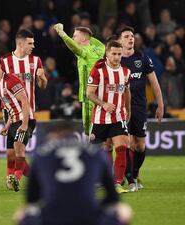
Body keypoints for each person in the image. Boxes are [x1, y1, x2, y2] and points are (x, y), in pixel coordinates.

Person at [15, 121, 132, 225]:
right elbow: (112, 196)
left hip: (52, 217)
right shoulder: (95, 152)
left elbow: (31, 198)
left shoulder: (41, 153)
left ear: (53, 136)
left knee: (21, 213)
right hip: (89, 216)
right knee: (124, 210)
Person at [0, 29, 47, 189]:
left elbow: (42, 86)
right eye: (30, 43)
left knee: (18, 149)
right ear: (20, 43)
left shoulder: (36, 61)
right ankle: (19, 178)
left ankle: (17, 178)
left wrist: (42, 78)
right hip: (9, 111)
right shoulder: (5, 61)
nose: (33, 46)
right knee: (12, 153)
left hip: (28, 111)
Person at [117, 26, 164, 190]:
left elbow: (154, 83)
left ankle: (135, 173)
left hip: (139, 106)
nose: (131, 39)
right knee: (126, 141)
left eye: (132, 36)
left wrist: (160, 104)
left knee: (140, 145)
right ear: (120, 40)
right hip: (121, 107)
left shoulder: (142, 58)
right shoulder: (115, 59)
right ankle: (129, 179)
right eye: (127, 36)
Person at [86, 40, 131, 194]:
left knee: (121, 148)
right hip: (100, 118)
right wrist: (103, 104)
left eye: (119, 54)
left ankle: (117, 183)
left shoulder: (126, 72)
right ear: (107, 53)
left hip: (119, 116)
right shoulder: (98, 70)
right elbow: (89, 93)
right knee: (99, 151)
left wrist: (128, 111)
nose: (117, 57)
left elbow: (126, 92)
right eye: (114, 54)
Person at [0, 55, 34, 192]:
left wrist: (24, 124)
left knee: (19, 148)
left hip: (25, 120)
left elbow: (24, 101)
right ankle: (37, 178)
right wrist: (7, 125)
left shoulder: (11, 81)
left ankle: (15, 180)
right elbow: (10, 106)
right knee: (11, 155)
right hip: (13, 122)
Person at [53, 23, 105, 136]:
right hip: (103, 93)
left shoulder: (84, 52)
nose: (72, 38)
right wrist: (86, 33)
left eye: (75, 36)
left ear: (82, 38)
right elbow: (92, 39)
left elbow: (74, 47)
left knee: (89, 129)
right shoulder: (100, 48)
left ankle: (91, 143)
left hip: (90, 95)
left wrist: (62, 34)